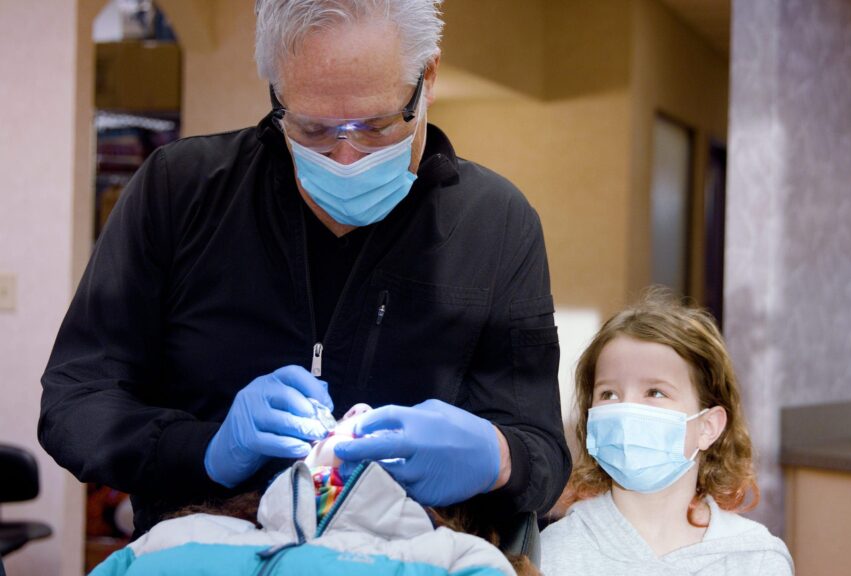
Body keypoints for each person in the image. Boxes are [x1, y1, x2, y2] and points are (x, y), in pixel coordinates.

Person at [39, 0, 568, 538]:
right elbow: (74, 404)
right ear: (275, 93)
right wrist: (208, 450)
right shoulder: (179, 192)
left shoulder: (496, 223)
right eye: (313, 129)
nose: (345, 157)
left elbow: (542, 450)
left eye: (377, 127)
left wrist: (498, 457)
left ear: (427, 77)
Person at [87, 404, 539, 575]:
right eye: (344, 415)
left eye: (368, 412)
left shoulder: (451, 557)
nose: (357, 410)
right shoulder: (179, 536)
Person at [539, 289, 793, 575]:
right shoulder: (555, 552)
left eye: (655, 392)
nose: (627, 410)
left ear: (708, 427)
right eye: (609, 394)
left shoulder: (755, 560)